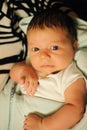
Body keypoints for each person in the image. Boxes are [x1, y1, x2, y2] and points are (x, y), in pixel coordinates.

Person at [10, 8, 86, 130]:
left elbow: (75, 109)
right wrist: (23, 70)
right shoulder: (31, 66)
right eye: (36, 49)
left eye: (54, 47)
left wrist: (43, 125)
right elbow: (13, 73)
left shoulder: (70, 76)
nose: (43, 56)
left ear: (74, 46)